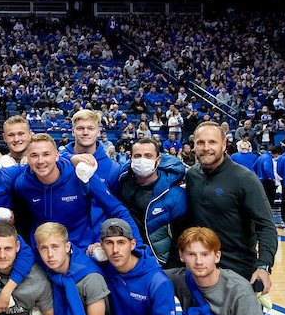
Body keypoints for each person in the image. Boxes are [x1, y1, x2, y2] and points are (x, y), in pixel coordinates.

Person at [184, 122, 278, 293]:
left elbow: (266, 226)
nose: (206, 148)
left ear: (224, 145)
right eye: (200, 143)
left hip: (238, 273)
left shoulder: (244, 178)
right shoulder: (192, 176)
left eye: (212, 142)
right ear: (194, 145)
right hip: (200, 272)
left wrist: (264, 266)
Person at [11, 134, 140, 254]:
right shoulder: (22, 184)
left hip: (82, 251)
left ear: (57, 155)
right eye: (34, 155)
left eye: (46, 154)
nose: (40, 161)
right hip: (43, 254)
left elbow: (117, 210)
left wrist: (139, 248)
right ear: (27, 158)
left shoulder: (82, 176)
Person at [112, 138, 188, 266]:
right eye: (137, 156)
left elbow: (182, 237)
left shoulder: (175, 194)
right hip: (127, 257)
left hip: (159, 262)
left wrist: (169, 267)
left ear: (158, 160)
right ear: (130, 159)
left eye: (148, 156)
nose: (142, 160)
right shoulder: (123, 181)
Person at [59, 110, 120, 190]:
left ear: (98, 132)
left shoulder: (113, 168)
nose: (85, 132)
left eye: (90, 128)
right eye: (80, 128)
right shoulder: (57, 160)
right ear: (73, 132)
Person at [255, 146, 280, 213]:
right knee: (269, 198)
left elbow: (254, 166)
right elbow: (267, 168)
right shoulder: (268, 158)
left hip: (260, 180)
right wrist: (271, 177)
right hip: (267, 181)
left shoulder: (261, 156)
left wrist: (257, 174)